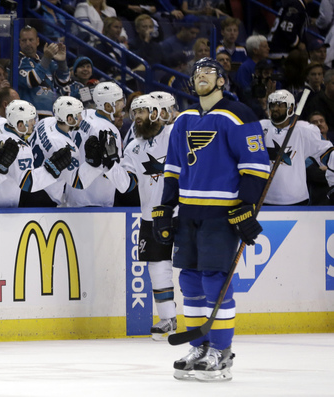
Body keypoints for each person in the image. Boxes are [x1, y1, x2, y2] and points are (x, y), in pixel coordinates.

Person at [152, 57, 270, 381]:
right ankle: (199, 347)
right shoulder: (185, 119)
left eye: (209, 72)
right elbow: (173, 170)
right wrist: (165, 208)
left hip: (222, 213)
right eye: (197, 72)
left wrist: (244, 205)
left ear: (221, 81)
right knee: (189, 280)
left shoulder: (239, 114)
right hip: (189, 212)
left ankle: (222, 351)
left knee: (214, 281)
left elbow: (257, 166)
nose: (202, 76)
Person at [107, 94, 178, 338]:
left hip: (182, 212)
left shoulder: (175, 135)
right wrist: (109, 165)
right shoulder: (133, 147)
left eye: (143, 111)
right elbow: (127, 186)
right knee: (157, 267)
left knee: (193, 265)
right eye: (134, 112)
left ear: (157, 113)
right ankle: (168, 317)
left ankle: (201, 313)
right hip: (151, 216)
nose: (137, 117)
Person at [0, 99, 73, 208]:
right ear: (20, 125)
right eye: (30, 120)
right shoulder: (21, 149)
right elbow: (28, 183)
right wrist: (53, 169)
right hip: (1, 204)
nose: (34, 123)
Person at [261, 89, 334, 205]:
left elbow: (329, 153)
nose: (275, 108)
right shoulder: (260, 128)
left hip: (297, 200)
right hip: (265, 199)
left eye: (280, 105)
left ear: (290, 108)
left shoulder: (305, 130)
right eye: (272, 105)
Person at [28, 96, 102, 206]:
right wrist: (95, 162)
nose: (81, 118)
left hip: (27, 183)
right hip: (44, 197)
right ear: (69, 119)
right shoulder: (67, 149)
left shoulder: (45, 122)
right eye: (78, 115)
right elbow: (77, 181)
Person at [65, 81, 126, 207]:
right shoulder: (109, 130)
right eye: (119, 102)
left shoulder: (85, 114)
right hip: (95, 199)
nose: (123, 105)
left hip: (73, 192)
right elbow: (111, 170)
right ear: (108, 106)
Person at [17, 25, 70, 117]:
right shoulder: (17, 61)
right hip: (28, 116)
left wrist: (62, 62)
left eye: (31, 40)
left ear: (37, 41)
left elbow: (63, 82)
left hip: (50, 115)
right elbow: (31, 81)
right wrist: (47, 58)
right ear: (19, 43)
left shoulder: (46, 61)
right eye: (24, 40)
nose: (28, 43)